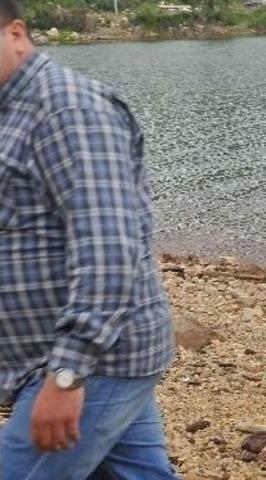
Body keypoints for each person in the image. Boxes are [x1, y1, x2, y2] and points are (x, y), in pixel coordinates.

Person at [0, 1, 179, 478]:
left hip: (94, 360)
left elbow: (109, 248)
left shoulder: (67, 110)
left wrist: (67, 374)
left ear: (16, 34)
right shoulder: (11, 112)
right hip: (59, 357)